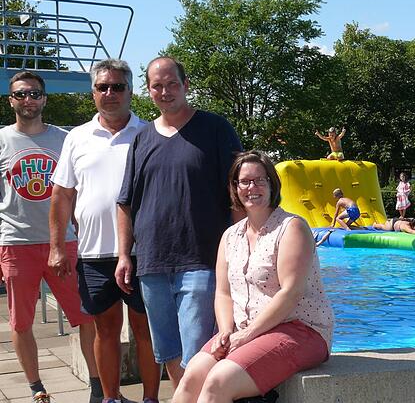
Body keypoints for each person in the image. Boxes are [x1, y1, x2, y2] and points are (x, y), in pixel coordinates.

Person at [116, 57, 243, 388]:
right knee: (168, 353)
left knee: (198, 354)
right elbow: (126, 203)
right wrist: (124, 255)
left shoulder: (215, 129)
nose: (165, 91)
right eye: (157, 85)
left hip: (201, 262)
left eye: (172, 83)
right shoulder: (142, 138)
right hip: (153, 266)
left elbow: (238, 195)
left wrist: (242, 251)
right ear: (149, 91)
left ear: (186, 86)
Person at [172, 151, 334, 403]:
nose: (252, 187)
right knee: (192, 376)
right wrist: (226, 331)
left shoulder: (291, 228)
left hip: (300, 330)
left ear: (272, 183)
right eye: (244, 181)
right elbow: (223, 293)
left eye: (260, 180)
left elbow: (290, 293)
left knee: (218, 381)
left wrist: (246, 336)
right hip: (244, 330)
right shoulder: (230, 236)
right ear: (235, 188)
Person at [49, 60, 161, 403]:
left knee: (145, 332)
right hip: (94, 254)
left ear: (130, 91)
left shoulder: (149, 134)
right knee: (105, 330)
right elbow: (62, 194)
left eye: (118, 87)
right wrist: (56, 246)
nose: (110, 94)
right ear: (93, 92)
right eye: (102, 87)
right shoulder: (77, 138)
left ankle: (151, 399)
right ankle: (110, 398)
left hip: (144, 253)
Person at [0, 71, 100, 403]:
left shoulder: (64, 139)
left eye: (34, 94)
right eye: (20, 94)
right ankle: (35, 387)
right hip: (16, 244)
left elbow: (78, 189)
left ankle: (99, 386)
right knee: (21, 320)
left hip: (64, 242)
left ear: (44, 98)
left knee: (87, 316)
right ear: (10, 99)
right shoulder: (1, 140)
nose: (28, 100)